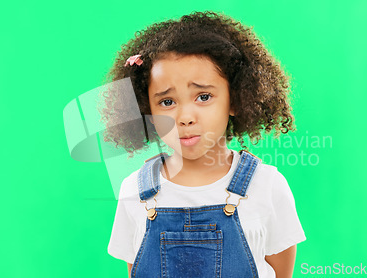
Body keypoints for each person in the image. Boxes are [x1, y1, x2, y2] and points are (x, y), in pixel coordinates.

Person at [101, 11, 306, 278]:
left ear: (235, 99)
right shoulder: (134, 192)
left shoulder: (266, 186)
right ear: (146, 110)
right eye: (167, 102)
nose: (185, 117)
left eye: (203, 96)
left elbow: (282, 273)